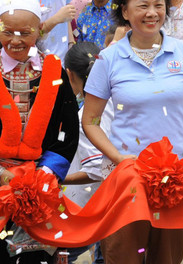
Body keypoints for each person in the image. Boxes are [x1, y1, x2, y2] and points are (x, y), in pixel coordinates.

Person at [82, 0, 183, 264]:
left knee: (166, 257)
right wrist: (119, 159)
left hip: (174, 178)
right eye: (142, 6)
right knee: (123, 255)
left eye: (159, 5)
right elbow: (90, 121)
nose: (152, 13)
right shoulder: (109, 58)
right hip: (127, 177)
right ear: (125, 11)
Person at [0, 0, 80, 264]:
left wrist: (45, 174)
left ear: (38, 31)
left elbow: (68, 130)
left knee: (35, 256)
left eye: (25, 32)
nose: (16, 40)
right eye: (7, 32)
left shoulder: (53, 72)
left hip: (39, 179)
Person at [61, 42, 108, 264]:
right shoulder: (119, 103)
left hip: (90, 207)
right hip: (116, 204)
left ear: (69, 75)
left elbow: (96, 170)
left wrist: (58, 178)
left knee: (65, 252)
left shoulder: (85, 117)